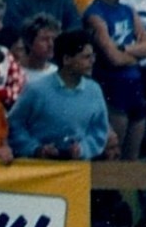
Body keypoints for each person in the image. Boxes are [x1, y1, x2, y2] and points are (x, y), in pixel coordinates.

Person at [85, 0, 146, 160]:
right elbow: (113, 58)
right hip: (113, 92)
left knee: (132, 160)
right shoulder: (95, 14)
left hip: (134, 88)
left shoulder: (128, 9)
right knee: (113, 157)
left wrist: (126, 48)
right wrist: (136, 53)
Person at [7, 29, 112, 159]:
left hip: (78, 169)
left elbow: (99, 130)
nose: (92, 61)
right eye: (86, 57)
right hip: (37, 166)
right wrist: (35, 148)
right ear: (67, 59)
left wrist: (83, 149)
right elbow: (14, 125)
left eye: (93, 56)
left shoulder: (94, 90)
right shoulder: (37, 90)